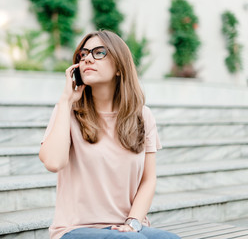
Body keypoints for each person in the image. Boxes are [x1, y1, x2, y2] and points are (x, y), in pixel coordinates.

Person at [39, 30, 180, 239]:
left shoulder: (142, 115)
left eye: (99, 53)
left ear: (119, 68)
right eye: (83, 53)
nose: (87, 58)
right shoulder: (67, 110)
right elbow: (53, 162)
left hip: (125, 228)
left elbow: (148, 180)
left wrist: (133, 222)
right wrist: (66, 100)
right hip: (75, 229)